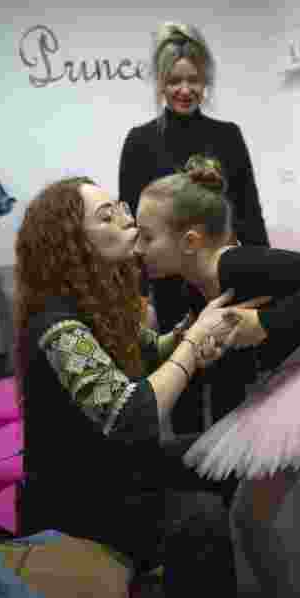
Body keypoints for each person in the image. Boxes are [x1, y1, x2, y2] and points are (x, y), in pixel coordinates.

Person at [12, 176, 269, 598]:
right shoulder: (58, 324)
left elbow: (151, 349)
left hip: (115, 471)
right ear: (72, 244)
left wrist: (195, 329)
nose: (126, 219)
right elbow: (131, 416)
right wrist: (190, 348)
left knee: (230, 454)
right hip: (79, 499)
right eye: (105, 216)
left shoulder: (94, 304)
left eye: (119, 207)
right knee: (199, 520)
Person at [132, 155, 300, 598]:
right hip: (290, 382)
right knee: (251, 518)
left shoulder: (236, 261)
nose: (139, 247)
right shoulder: (201, 285)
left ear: (190, 240)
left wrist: (266, 325)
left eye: (147, 236)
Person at [119, 22, 270, 437]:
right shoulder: (139, 142)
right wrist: (137, 296)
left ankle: (231, 489)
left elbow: (250, 217)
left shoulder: (228, 136)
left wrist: (263, 284)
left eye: (194, 79)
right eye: (174, 80)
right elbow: (134, 231)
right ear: (161, 84)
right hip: (168, 286)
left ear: (206, 81)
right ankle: (191, 489)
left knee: (232, 394)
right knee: (182, 392)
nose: (185, 89)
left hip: (224, 283)